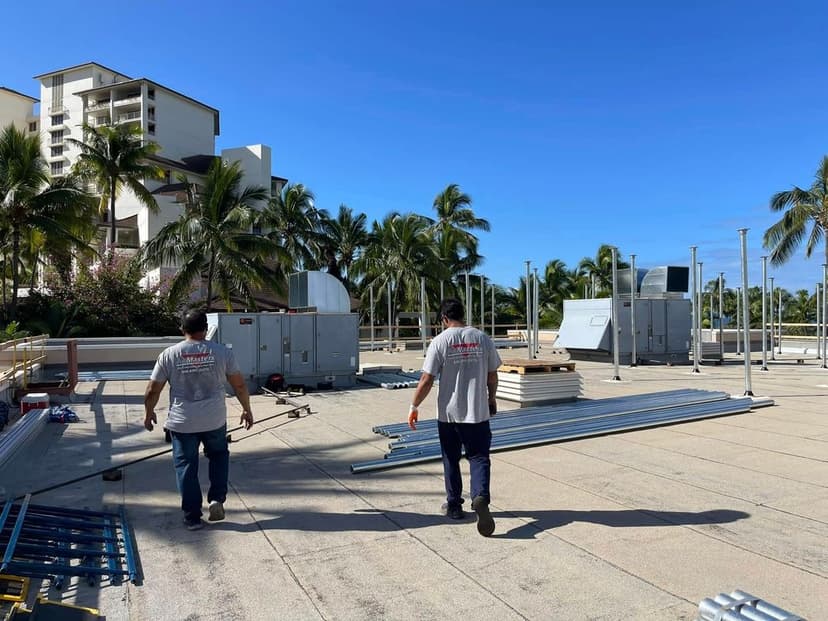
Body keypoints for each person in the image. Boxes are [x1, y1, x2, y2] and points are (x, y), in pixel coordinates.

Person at [144, 309, 254, 530]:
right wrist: (246, 409)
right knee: (219, 456)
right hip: (214, 419)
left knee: (186, 467)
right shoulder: (222, 352)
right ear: (206, 328)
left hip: (183, 422)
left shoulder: (169, 354)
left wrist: (149, 413)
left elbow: (152, 390)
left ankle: (193, 517)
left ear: (182, 329)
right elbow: (239, 385)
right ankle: (216, 499)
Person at [408, 298, 501, 536]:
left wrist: (414, 405)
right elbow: (492, 375)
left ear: (444, 319)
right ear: (463, 315)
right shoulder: (482, 338)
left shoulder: (440, 341)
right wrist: (491, 399)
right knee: (479, 458)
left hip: (449, 415)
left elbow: (426, 380)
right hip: (477, 413)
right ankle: (480, 496)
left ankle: (454, 505)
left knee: (451, 459)